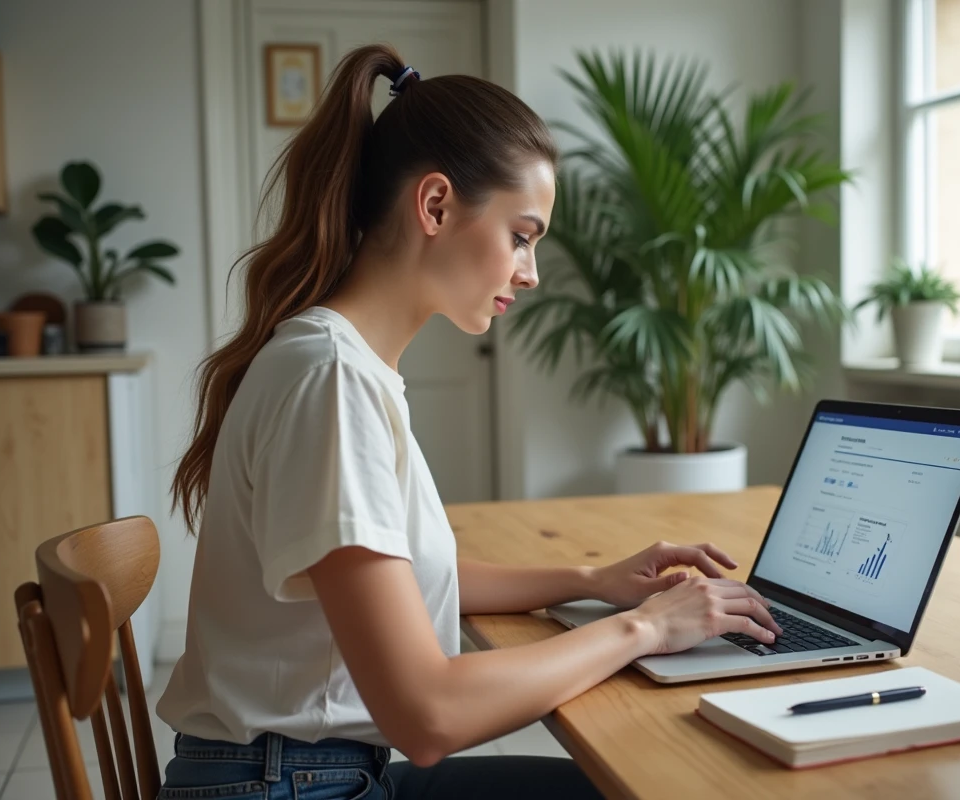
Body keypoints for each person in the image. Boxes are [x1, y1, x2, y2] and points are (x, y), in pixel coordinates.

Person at [156, 43, 781, 800]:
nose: (531, 272)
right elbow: (427, 716)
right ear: (435, 206)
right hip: (293, 787)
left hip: (291, 774)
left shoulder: (343, 364)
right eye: (521, 236)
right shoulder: (332, 381)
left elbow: (404, 576)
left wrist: (591, 581)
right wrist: (646, 629)